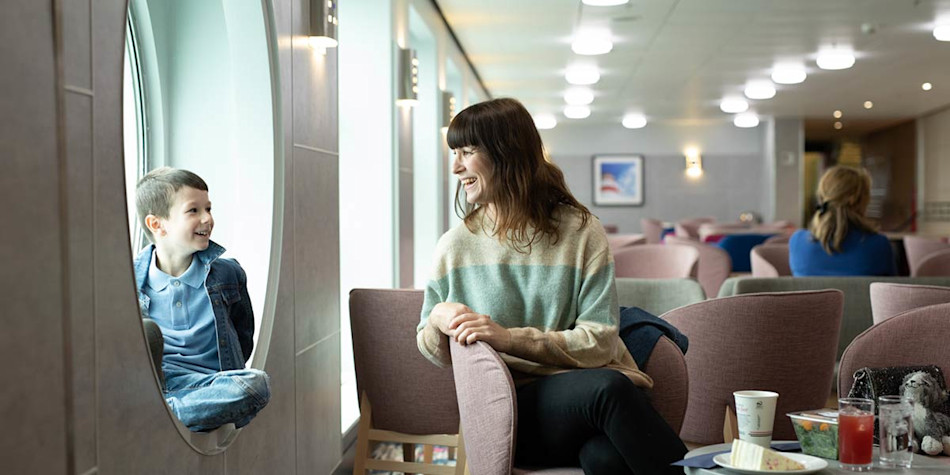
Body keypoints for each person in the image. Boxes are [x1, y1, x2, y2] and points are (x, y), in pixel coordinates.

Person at [416, 98, 688, 474]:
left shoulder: (580, 231)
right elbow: (431, 347)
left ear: (505, 153)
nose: (455, 166)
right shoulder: (455, 245)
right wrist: (439, 317)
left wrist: (508, 337)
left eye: (466, 151)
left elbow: (599, 342)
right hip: (511, 411)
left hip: (583, 404)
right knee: (610, 389)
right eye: (454, 153)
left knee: (607, 460)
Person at [133, 167, 270, 432]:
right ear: (156, 224)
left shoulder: (228, 274)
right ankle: (166, 407)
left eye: (208, 208)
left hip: (212, 386)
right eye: (193, 211)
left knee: (256, 385)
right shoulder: (129, 281)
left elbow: (243, 337)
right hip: (161, 383)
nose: (207, 218)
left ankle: (163, 413)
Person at [789, 165, 896, 276]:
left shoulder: (797, 242)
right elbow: (891, 291)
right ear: (859, 200)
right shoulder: (879, 245)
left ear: (822, 196)